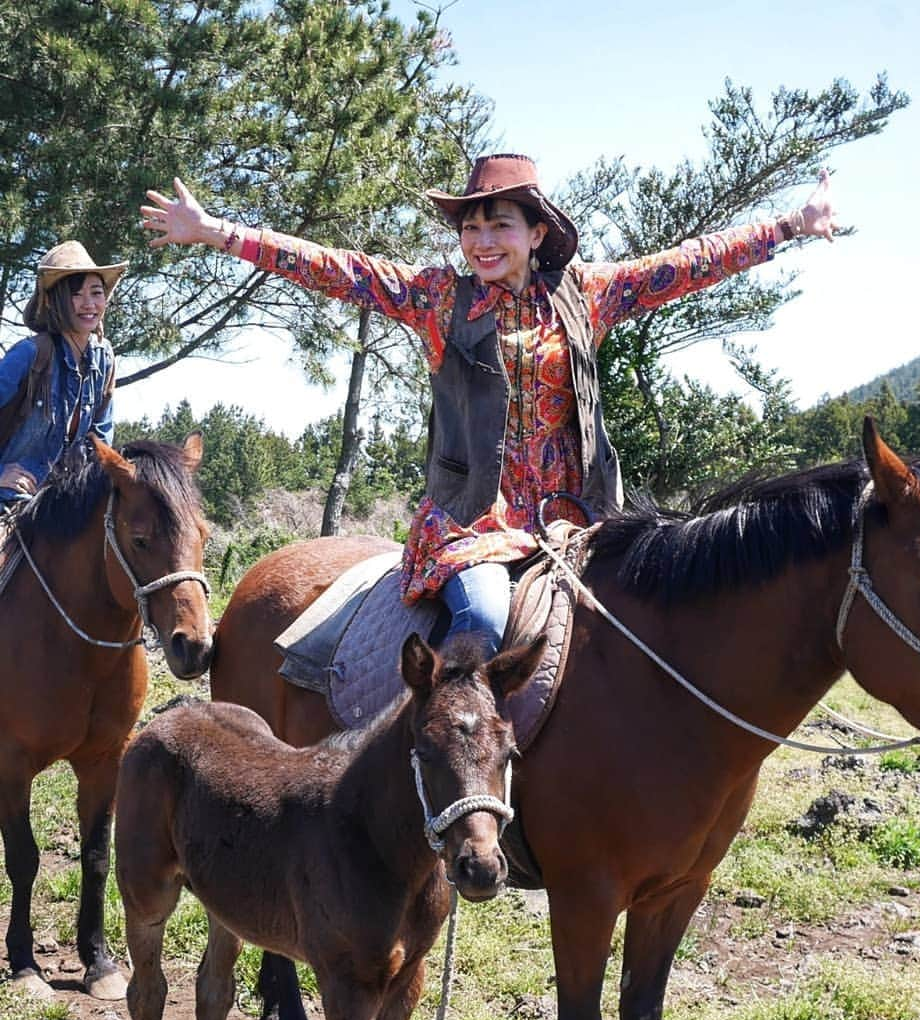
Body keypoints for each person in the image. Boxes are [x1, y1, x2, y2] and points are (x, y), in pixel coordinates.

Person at [142, 155, 835, 656]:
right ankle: (449, 795)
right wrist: (217, 232)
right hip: (474, 523)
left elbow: (691, 262)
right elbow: (335, 269)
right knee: (483, 619)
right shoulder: (439, 297)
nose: (480, 241)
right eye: (470, 228)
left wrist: (790, 226)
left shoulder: (585, 293)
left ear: (536, 234)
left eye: (497, 225)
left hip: (582, 518)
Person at [0, 241, 127, 511]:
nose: (89, 304)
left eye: (96, 292)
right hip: (10, 502)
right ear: (52, 300)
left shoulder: (104, 359)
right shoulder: (29, 355)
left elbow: (101, 445)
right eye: (76, 294)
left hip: (66, 509)